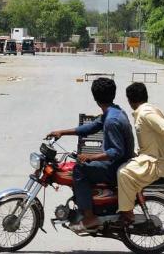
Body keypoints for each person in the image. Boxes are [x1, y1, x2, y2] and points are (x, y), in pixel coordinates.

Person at [47, 77, 134, 231]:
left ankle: (89, 217)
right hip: (121, 162)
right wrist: (62, 132)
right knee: (81, 165)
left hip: (117, 166)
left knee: (79, 170)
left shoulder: (111, 120)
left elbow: (116, 151)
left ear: (95, 98)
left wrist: (91, 157)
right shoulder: (114, 111)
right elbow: (91, 128)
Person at [117, 82, 164, 224]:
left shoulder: (145, 113)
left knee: (122, 173)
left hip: (153, 164)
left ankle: (127, 213)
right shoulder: (151, 109)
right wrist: (162, 149)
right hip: (153, 158)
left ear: (130, 100)